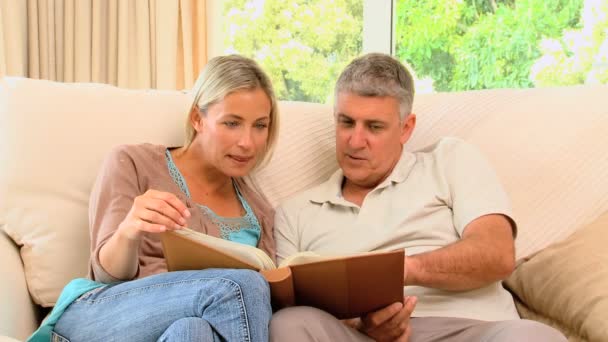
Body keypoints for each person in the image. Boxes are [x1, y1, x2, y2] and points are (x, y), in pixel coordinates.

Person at [269, 53, 567, 342]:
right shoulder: (294, 213)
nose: (355, 141)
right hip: (358, 336)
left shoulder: (450, 160)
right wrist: (362, 323)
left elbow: (497, 253)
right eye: (346, 122)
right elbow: (289, 303)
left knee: (536, 337)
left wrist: (399, 271)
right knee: (290, 323)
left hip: (470, 329)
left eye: (374, 127)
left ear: (406, 128)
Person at [28, 55, 279, 342]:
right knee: (239, 285)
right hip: (105, 317)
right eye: (232, 123)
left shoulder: (260, 211)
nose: (247, 142)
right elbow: (106, 275)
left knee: (192, 331)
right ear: (197, 118)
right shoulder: (134, 163)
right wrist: (130, 229)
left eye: (260, 125)